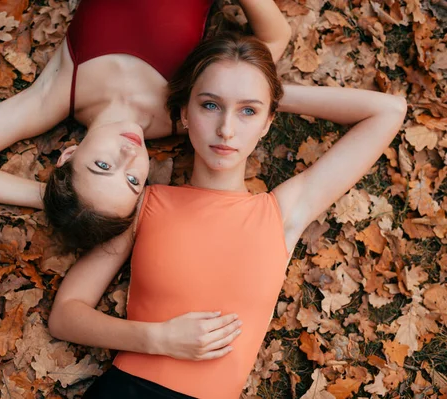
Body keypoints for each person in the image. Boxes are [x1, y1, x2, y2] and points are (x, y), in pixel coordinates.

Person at [47, 33, 408, 399]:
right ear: (185, 113)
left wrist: (267, 92)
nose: (227, 129)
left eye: (248, 111)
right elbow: (65, 315)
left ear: (268, 121)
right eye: (210, 105)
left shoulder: (283, 213)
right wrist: (156, 338)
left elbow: (388, 111)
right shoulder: (146, 204)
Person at [0, 0, 292, 252]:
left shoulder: (56, 95)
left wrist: (51, 196)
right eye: (133, 181)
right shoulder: (189, 113)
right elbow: (275, 39)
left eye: (102, 167)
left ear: (67, 156)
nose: (129, 156)